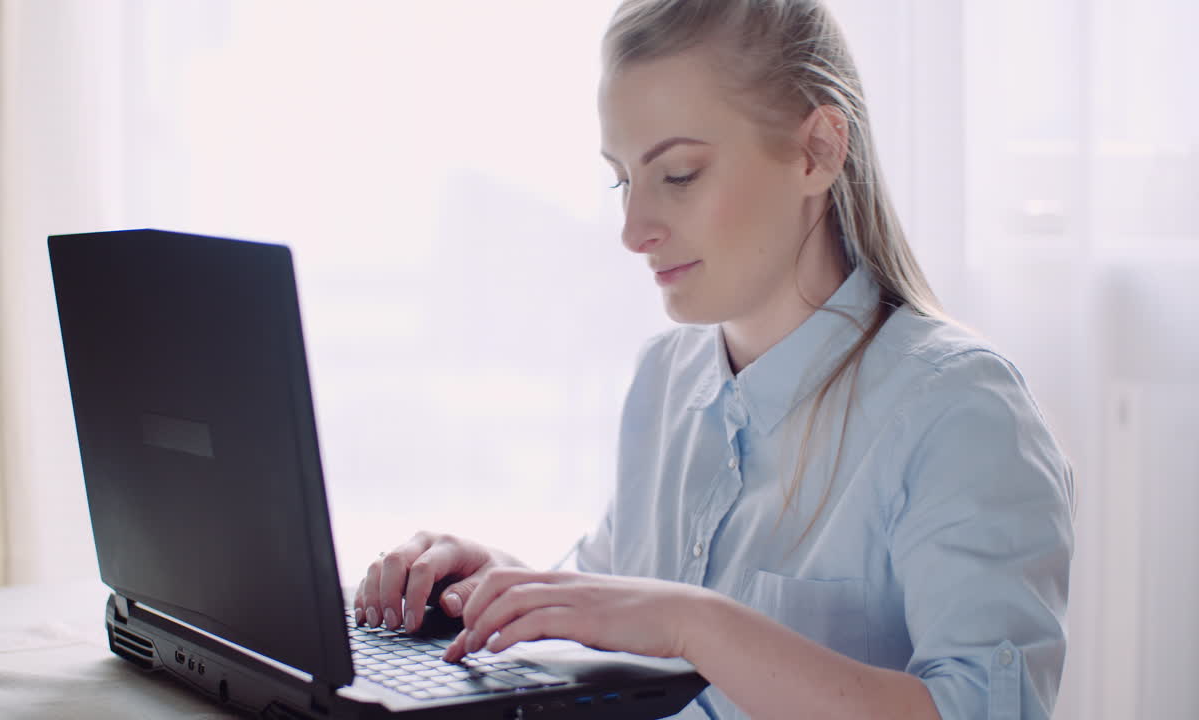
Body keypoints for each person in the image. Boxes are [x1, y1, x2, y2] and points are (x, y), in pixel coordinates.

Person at [352, 1, 1075, 718]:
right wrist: (504, 587)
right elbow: (618, 607)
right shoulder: (664, 380)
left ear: (817, 152)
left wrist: (694, 626)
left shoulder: (962, 411)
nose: (633, 230)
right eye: (621, 180)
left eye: (680, 174)